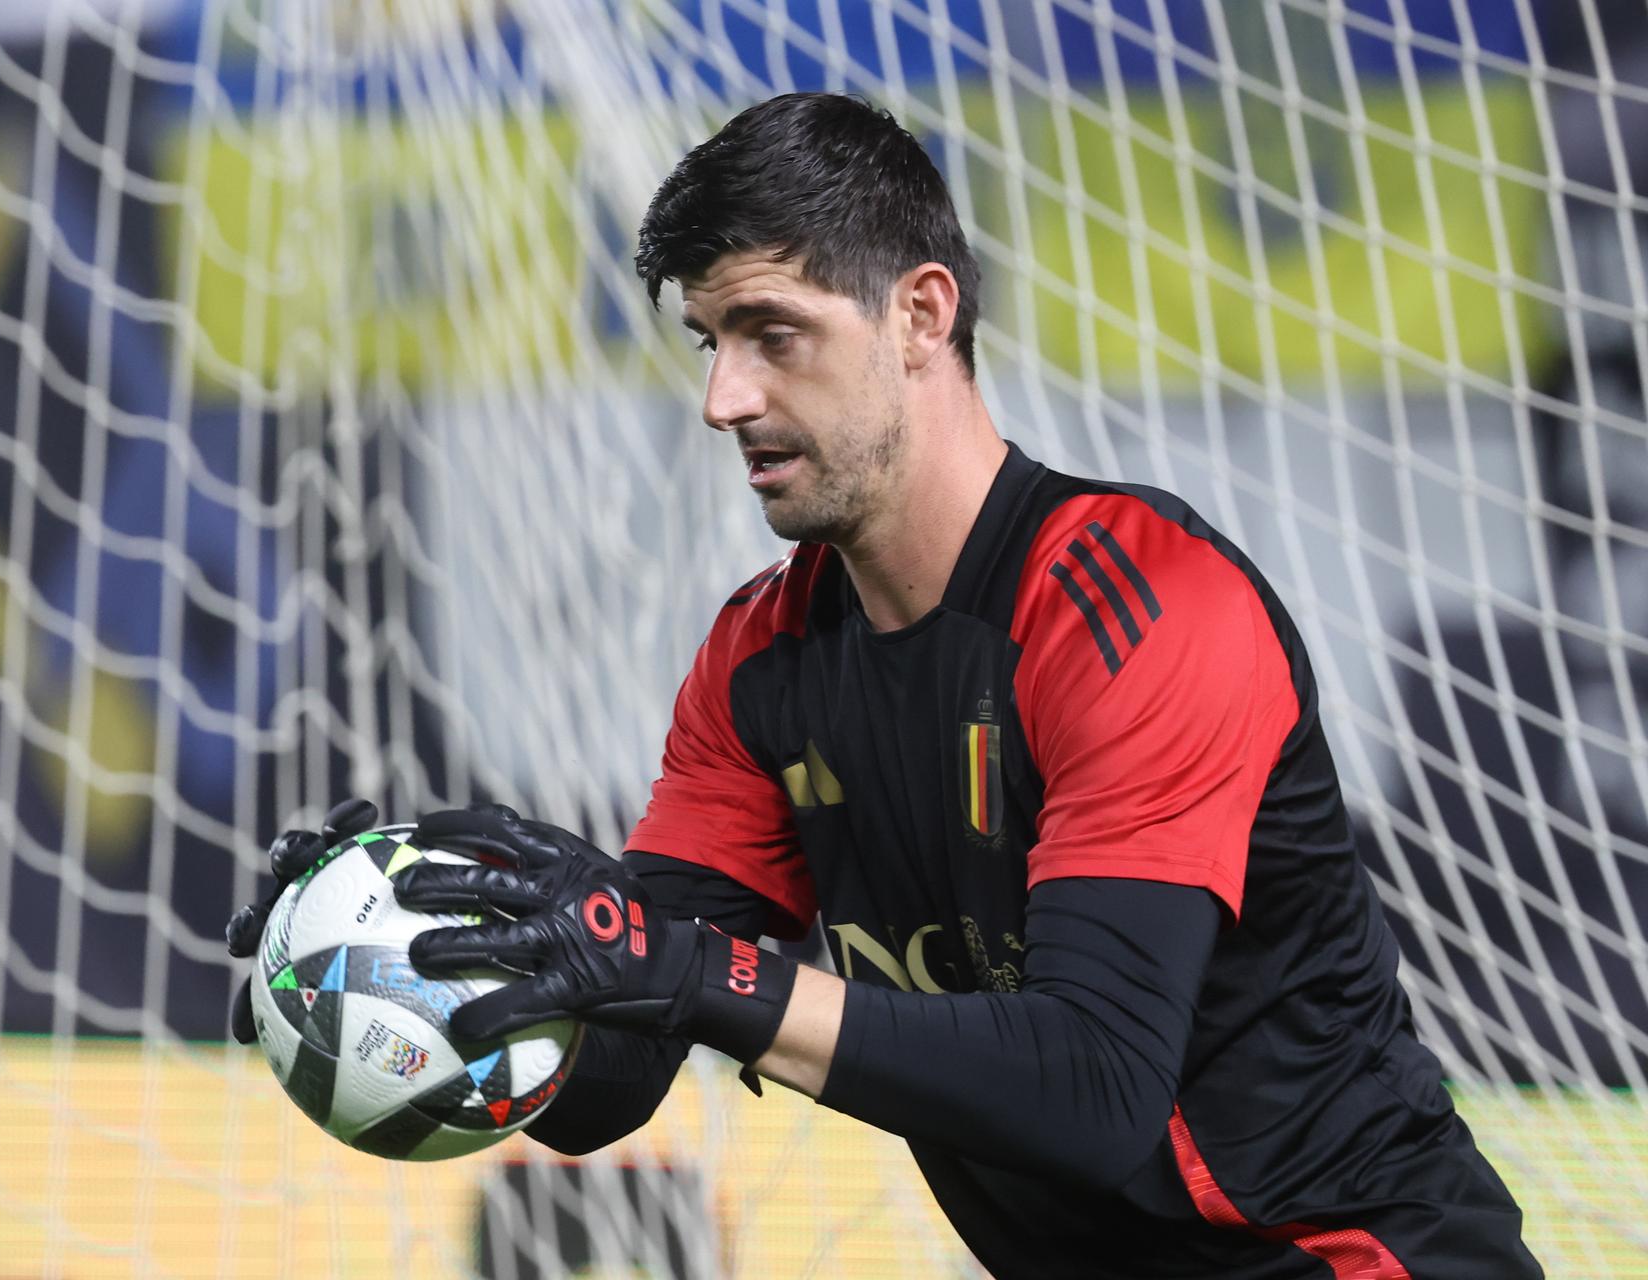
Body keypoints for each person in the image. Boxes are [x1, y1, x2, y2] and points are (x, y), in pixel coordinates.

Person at [228, 93, 1540, 1278]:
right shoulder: (759, 661)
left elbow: (1093, 1089)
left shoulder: (1142, 607)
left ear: (921, 315)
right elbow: (612, 1078)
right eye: (709, 342)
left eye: (773, 335)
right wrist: (446, 958)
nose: (724, 398)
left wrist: (683, 971)